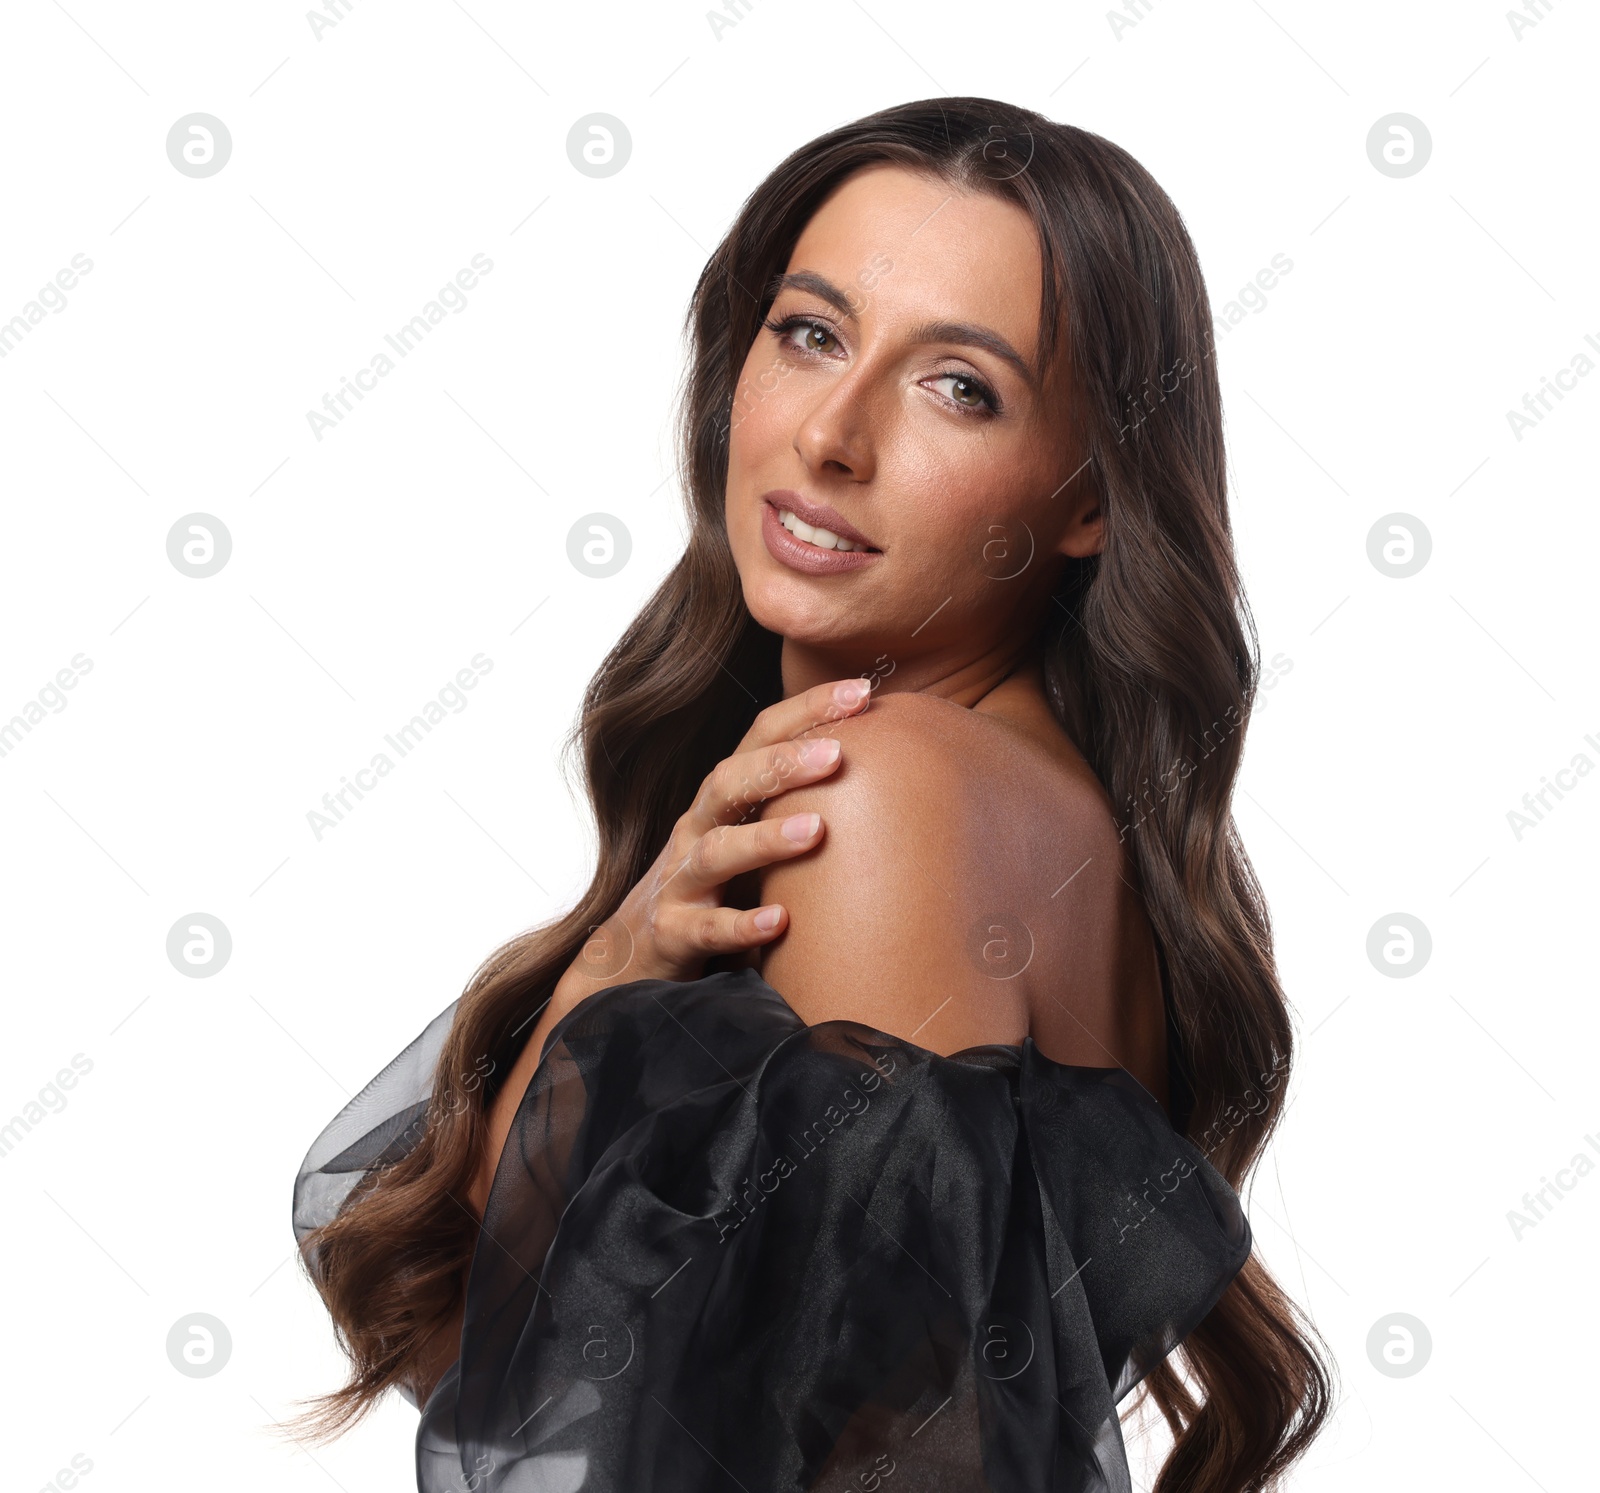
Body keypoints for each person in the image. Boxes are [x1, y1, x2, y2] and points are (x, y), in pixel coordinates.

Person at [291, 98, 1334, 1492]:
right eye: (811, 333)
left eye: (959, 384)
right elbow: (488, 1363)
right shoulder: (1034, 808)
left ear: (1091, 494)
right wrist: (614, 964)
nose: (834, 434)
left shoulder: (884, 793)